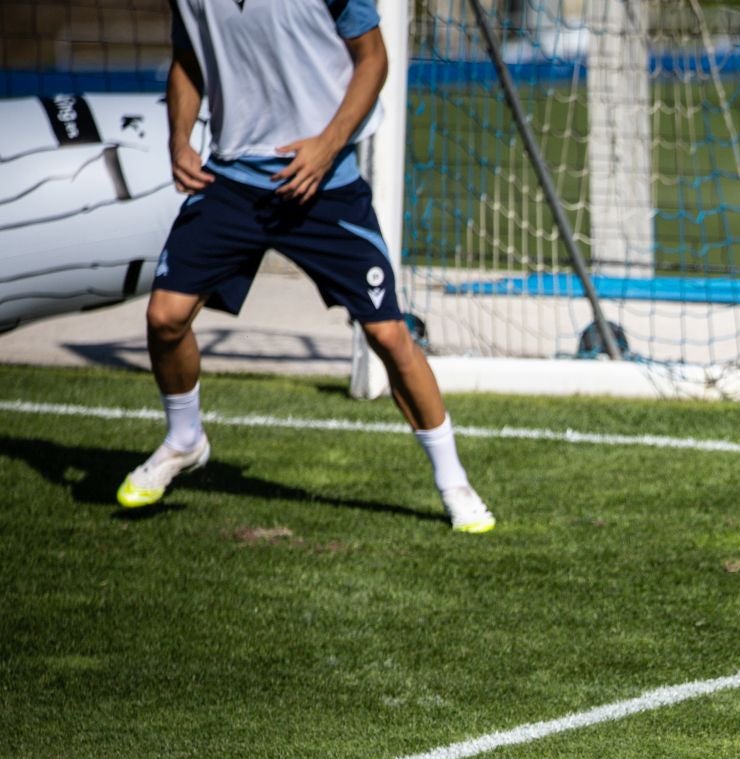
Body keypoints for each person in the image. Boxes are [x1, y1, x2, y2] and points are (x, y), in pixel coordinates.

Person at [116, 0, 493, 533]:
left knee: (388, 336)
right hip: (232, 183)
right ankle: (184, 440)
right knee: (164, 317)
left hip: (325, 185)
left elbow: (373, 59)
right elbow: (187, 59)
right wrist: (179, 138)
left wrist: (327, 144)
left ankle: (455, 483)